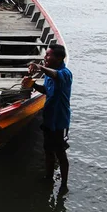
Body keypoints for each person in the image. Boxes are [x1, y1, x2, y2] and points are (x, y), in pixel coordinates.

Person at [24, 44, 73, 194]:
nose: (45, 58)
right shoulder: (48, 74)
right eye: (45, 55)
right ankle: (48, 177)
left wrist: (39, 67)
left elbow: (56, 75)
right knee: (47, 150)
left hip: (59, 120)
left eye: (48, 56)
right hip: (48, 117)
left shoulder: (65, 73)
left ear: (59, 58)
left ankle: (64, 184)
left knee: (60, 152)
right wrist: (32, 84)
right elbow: (46, 90)